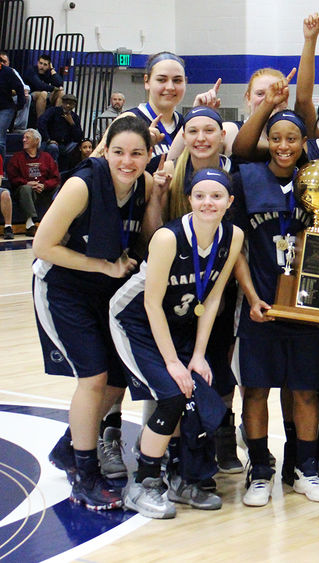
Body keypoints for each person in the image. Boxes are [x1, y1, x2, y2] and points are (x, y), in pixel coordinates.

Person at [33, 116, 163, 510]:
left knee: (116, 378)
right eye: (119, 152)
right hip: (62, 287)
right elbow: (42, 246)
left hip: (103, 292)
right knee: (93, 377)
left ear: (147, 156)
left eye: (137, 153)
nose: (127, 160)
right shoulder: (81, 185)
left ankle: (70, 446)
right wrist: (103, 267)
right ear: (105, 151)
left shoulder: (142, 184)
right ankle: (84, 474)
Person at [230, 108, 319, 507]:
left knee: (305, 392)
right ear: (267, 139)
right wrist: (250, 296)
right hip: (261, 304)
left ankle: (306, 467)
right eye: (276, 138)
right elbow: (236, 248)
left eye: (292, 139)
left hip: (308, 308)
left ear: (304, 143)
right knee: (256, 389)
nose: (284, 146)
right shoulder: (245, 179)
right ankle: (261, 469)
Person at [110, 168, 242, 519]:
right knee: (171, 394)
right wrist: (172, 362)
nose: (207, 202)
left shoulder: (233, 236)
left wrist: (198, 356)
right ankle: (143, 483)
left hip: (179, 324)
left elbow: (211, 299)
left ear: (229, 202)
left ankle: (182, 478)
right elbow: (151, 304)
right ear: (190, 200)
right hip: (134, 320)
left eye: (216, 196)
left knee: (196, 395)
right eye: (200, 196)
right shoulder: (169, 239)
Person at [6, 128, 61, 232]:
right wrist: (27, 183)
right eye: (23, 138)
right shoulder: (17, 157)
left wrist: (44, 185)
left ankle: (60, 220)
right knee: (25, 189)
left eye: (27, 138)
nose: (24, 140)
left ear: (36, 141)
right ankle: (31, 222)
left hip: (43, 190)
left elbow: (55, 178)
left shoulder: (46, 157)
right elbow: (13, 178)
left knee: (59, 188)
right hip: (25, 191)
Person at [38, 93, 83, 167]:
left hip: (66, 144)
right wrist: (48, 139)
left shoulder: (75, 117)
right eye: (66, 103)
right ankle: (53, 170)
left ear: (74, 105)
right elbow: (41, 122)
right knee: (53, 147)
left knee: (76, 146)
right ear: (62, 103)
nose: (68, 105)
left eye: (71, 104)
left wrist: (72, 124)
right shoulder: (53, 111)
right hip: (51, 142)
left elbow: (79, 137)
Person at [0, 52, 26, 156]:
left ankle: (1, 169)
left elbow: (20, 87)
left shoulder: (7, 72)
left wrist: (20, 104)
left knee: (0, 139)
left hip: (5, 107)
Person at [23, 53, 63, 118]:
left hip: (45, 95)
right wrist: (55, 88)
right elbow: (39, 85)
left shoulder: (48, 72)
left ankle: (55, 120)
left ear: (48, 66)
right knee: (43, 93)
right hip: (30, 94)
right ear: (37, 63)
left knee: (61, 93)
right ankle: (40, 123)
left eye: (45, 64)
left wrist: (52, 69)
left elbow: (59, 83)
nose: (42, 66)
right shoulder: (31, 70)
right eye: (40, 63)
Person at [0, 51, 30, 132]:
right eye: (1, 61)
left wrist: (20, 103)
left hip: (7, 102)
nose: (2, 63)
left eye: (4, 62)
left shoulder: (11, 71)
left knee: (27, 97)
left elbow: (22, 86)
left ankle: (19, 126)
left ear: (9, 62)